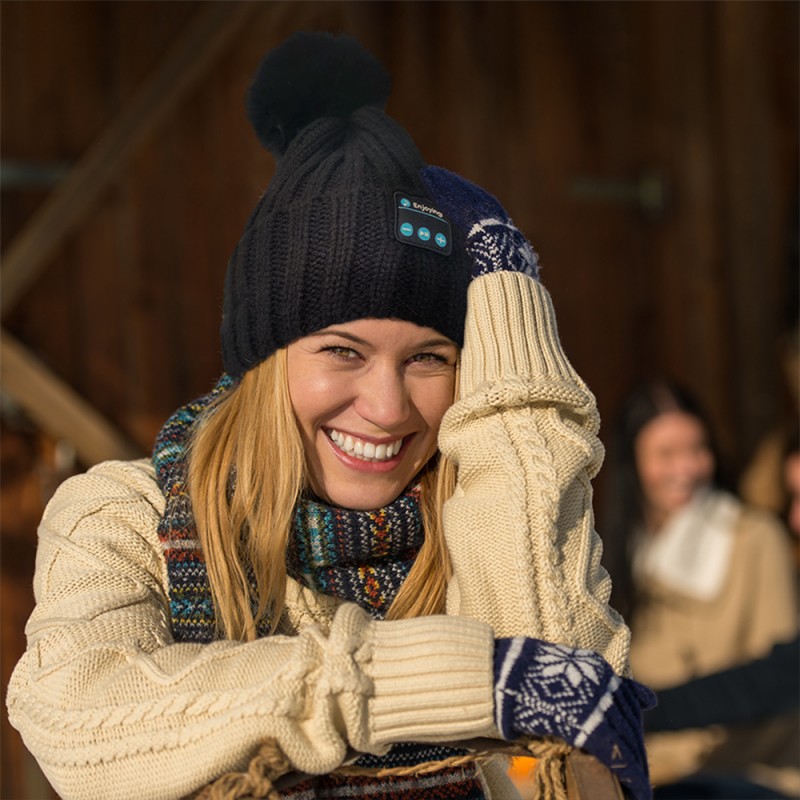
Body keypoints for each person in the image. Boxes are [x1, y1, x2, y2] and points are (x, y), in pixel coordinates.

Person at [7, 32, 653, 800]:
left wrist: (509, 322)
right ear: (265, 358)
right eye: (343, 351)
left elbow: (562, 723)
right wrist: (454, 679)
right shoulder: (123, 517)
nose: (386, 408)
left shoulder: (486, 518)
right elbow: (81, 716)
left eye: (430, 358)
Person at [601, 380, 798, 794]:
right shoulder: (615, 556)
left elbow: (778, 681)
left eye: (698, 449)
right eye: (666, 454)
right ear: (633, 464)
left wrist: (642, 719)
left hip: (744, 771)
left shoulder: (755, 538)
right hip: (643, 766)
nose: (687, 468)